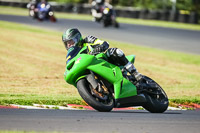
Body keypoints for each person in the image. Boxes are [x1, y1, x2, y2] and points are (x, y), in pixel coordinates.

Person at [62, 28, 142, 81]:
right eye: (67, 43)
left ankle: (134, 72)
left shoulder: (88, 40)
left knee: (115, 51)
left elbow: (104, 43)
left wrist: (99, 48)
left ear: (77, 38)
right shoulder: (73, 53)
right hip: (89, 67)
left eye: (70, 42)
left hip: (102, 60)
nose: (69, 45)